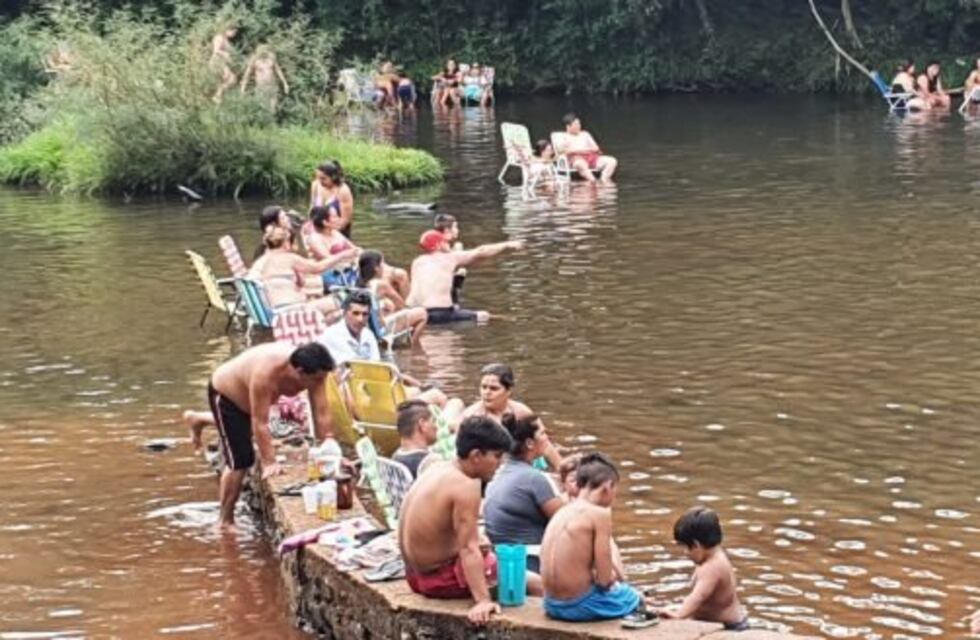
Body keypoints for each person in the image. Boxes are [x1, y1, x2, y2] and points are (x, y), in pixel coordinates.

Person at [399, 416, 538, 624]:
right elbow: (468, 549)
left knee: (492, 554)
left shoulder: (437, 468)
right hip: (439, 581)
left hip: (414, 575)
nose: (500, 464)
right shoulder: (466, 486)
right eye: (497, 456)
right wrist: (482, 601)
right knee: (528, 581)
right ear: (475, 456)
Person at [208, 342, 335, 529]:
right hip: (227, 395)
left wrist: (329, 448)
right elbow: (260, 422)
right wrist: (269, 462)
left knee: (258, 435)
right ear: (299, 372)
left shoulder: (316, 373)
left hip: (252, 401)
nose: (319, 383)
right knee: (240, 459)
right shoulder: (266, 373)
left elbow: (322, 412)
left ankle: (198, 419)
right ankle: (224, 520)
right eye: (316, 379)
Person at [539, 453, 653, 625]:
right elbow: (604, 581)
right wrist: (613, 579)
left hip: (551, 604)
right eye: (615, 490)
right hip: (577, 606)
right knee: (634, 597)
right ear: (607, 487)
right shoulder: (599, 514)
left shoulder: (562, 511)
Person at [483, 414, 563, 572]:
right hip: (529, 562)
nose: (547, 438)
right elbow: (566, 522)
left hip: (502, 558)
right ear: (529, 443)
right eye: (542, 433)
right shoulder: (534, 478)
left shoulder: (500, 473)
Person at [659, 506, 748, 631]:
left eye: (685, 547)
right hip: (728, 622)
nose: (685, 553)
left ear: (696, 545)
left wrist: (679, 614)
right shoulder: (714, 557)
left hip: (730, 628)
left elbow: (698, 596)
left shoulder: (712, 568)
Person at [406, 230, 522, 324]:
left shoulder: (417, 262)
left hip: (419, 313)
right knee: (485, 316)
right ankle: (513, 321)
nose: (448, 245)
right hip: (441, 313)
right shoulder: (449, 258)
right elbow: (480, 252)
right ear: (439, 245)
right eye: (446, 242)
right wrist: (506, 245)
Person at [460, 363, 562, 470]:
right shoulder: (472, 417)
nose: (486, 392)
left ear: (508, 391)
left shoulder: (521, 411)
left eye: (493, 388)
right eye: (483, 387)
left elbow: (543, 441)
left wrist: (562, 469)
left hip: (522, 461)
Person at [248, 226, 344, 318]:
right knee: (341, 300)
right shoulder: (288, 258)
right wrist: (342, 256)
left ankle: (322, 327)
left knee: (319, 297)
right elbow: (318, 268)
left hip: (275, 309)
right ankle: (325, 330)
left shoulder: (264, 261)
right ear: (285, 243)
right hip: (291, 311)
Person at [357, 250, 427, 344]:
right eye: (382, 265)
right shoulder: (381, 285)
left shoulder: (357, 285)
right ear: (376, 268)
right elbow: (402, 306)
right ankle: (412, 346)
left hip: (363, 328)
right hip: (379, 330)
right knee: (422, 313)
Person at [315, 289, 381, 366]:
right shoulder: (331, 335)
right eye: (355, 313)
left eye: (365, 314)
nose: (360, 319)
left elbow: (377, 365)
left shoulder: (368, 334)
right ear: (345, 313)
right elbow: (352, 368)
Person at [555, 113, 617, 183]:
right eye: (576, 124)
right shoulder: (563, 137)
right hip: (576, 159)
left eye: (579, 124)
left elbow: (595, 148)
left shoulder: (585, 134)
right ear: (568, 126)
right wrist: (581, 151)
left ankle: (604, 180)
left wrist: (580, 151)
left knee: (612, 161)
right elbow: (562, 151)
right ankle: (593, 181)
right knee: (580, 164)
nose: (579, 126)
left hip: (592, 157)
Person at [309, 161, 355, 238]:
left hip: (339, 235)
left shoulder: (343, 190)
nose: (320, 182)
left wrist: (327, 230)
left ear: (333, 177)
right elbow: (311, 209)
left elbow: (345, 221)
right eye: (318, 178)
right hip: (317, 232)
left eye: (323, 178)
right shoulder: (315, 185)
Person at [393, 399, 437, 478]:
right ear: (422, 424)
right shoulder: (429, 463)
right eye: (433, 421)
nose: (436, 426)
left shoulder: (395, 458)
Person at [240, 45, 289, 111]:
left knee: (272, 108)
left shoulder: (271, 58)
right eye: (262, 52)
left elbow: (278, 70)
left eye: (265, 51)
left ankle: (271, 119)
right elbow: (247, 74)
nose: (264, 53)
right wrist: (243, 87)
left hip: (272, 86)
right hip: (261, 87)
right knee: (262, 108)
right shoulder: (254, 60)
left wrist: (285, 83)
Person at [432, 214, 465, 304]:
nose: (458, 230)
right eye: (455, 227)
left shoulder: (437, 243)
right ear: (447, 230)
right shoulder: (443, 247)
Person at [210, 24, 238, 104]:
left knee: (225, 81)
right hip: (217, 62)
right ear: (228, 29)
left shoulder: (226, 39)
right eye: (234, 32)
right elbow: (216, 51)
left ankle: (218, 98)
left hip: (223, 63)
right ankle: (217, 95)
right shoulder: (219, 37)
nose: (234, 35)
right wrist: (226, 54)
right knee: (232, 79)